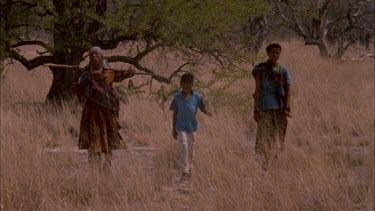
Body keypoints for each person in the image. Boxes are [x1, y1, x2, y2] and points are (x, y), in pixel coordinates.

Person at [74, 46, 135, 172]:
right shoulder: (85, 73)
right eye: (91, 55)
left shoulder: (109, 72)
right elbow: (79, 91)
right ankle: (94, 169)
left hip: (108, 110)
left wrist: (130, 72)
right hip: (91, 111)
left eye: (96, 54)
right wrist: (76, 76)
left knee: (109, 137)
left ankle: (107, 165)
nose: (94, 56)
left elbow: (122, 74)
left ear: (102, 57)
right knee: (93, 139)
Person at [252, 43, 292, 170]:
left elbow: (288, 89)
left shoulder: (283, 70)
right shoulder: (261, 70)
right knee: (264, 133)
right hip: (264, 106)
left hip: (279, 107)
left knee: (278, 133)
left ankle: (273, 159)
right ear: (268, 54)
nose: (275, 55)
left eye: (278, 53)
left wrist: (287, 106)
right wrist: (255, 108)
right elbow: (257, 90)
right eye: (273, 52)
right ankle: (266, 159)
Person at [169, 73, 212, 177]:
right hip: (180, 126)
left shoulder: (197, 97)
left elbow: (202, 107)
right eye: (183, 87)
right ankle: (185, 169)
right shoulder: (177, 97)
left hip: (192, 127)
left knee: (191, 147)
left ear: (192, 85)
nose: (185, 89)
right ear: (180, 85)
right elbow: (174, 113)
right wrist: (173, 129)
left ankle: (190, 165)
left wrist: (207, 112)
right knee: (183, 145)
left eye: (188, 87)